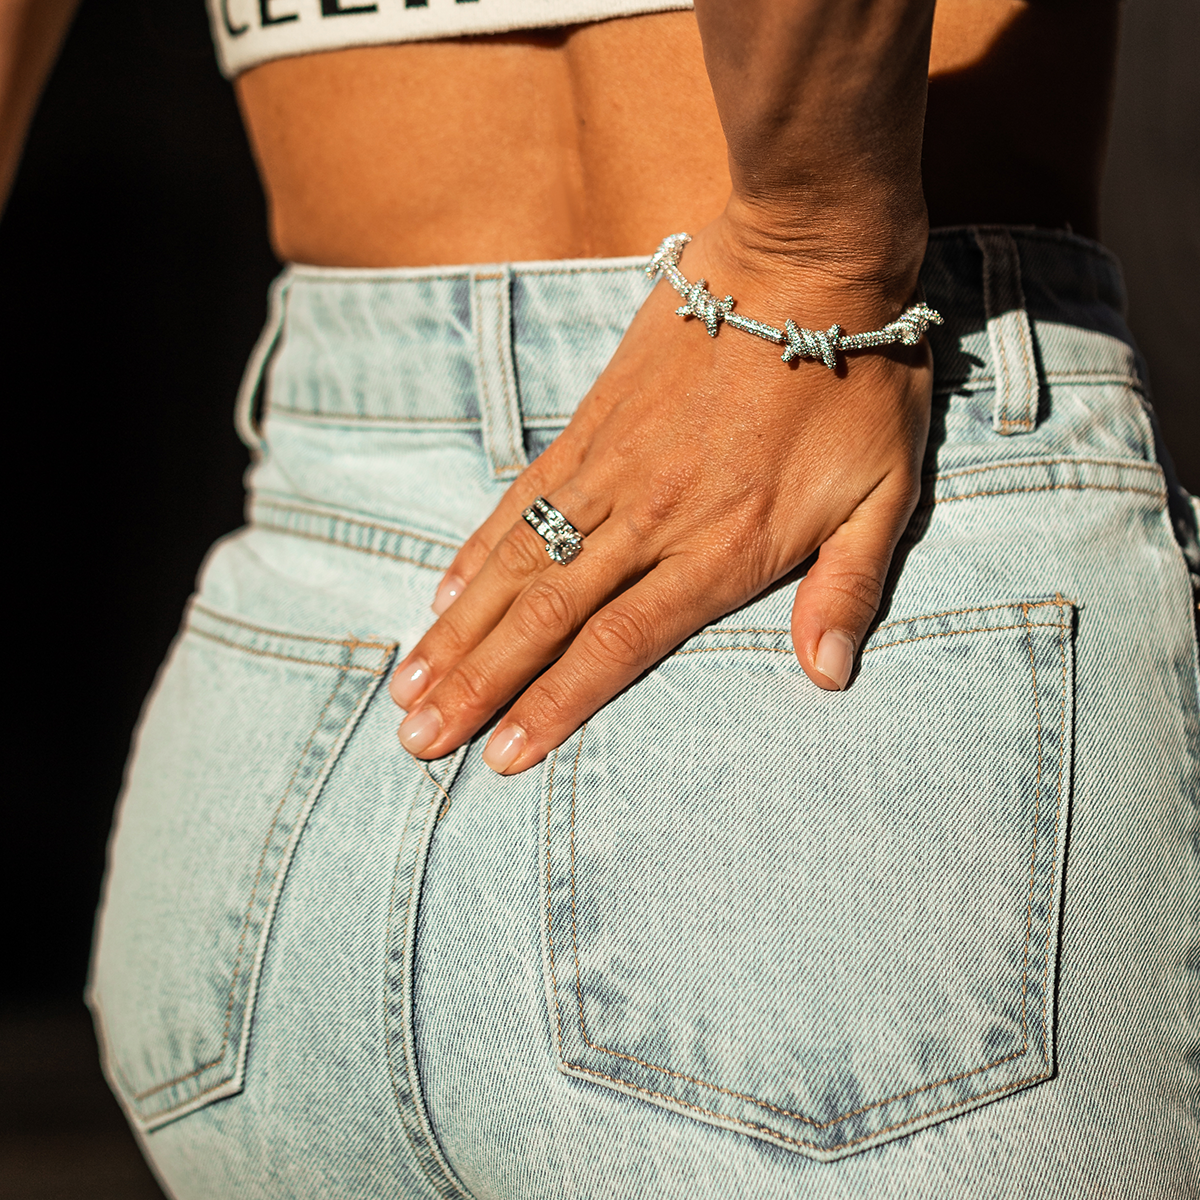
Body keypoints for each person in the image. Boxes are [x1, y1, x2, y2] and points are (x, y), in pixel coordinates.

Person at [6, 0, 1198, 1196]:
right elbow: (809, 240)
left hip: (296, 693)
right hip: (822, 446)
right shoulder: (810, 262)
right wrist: (812, 240)